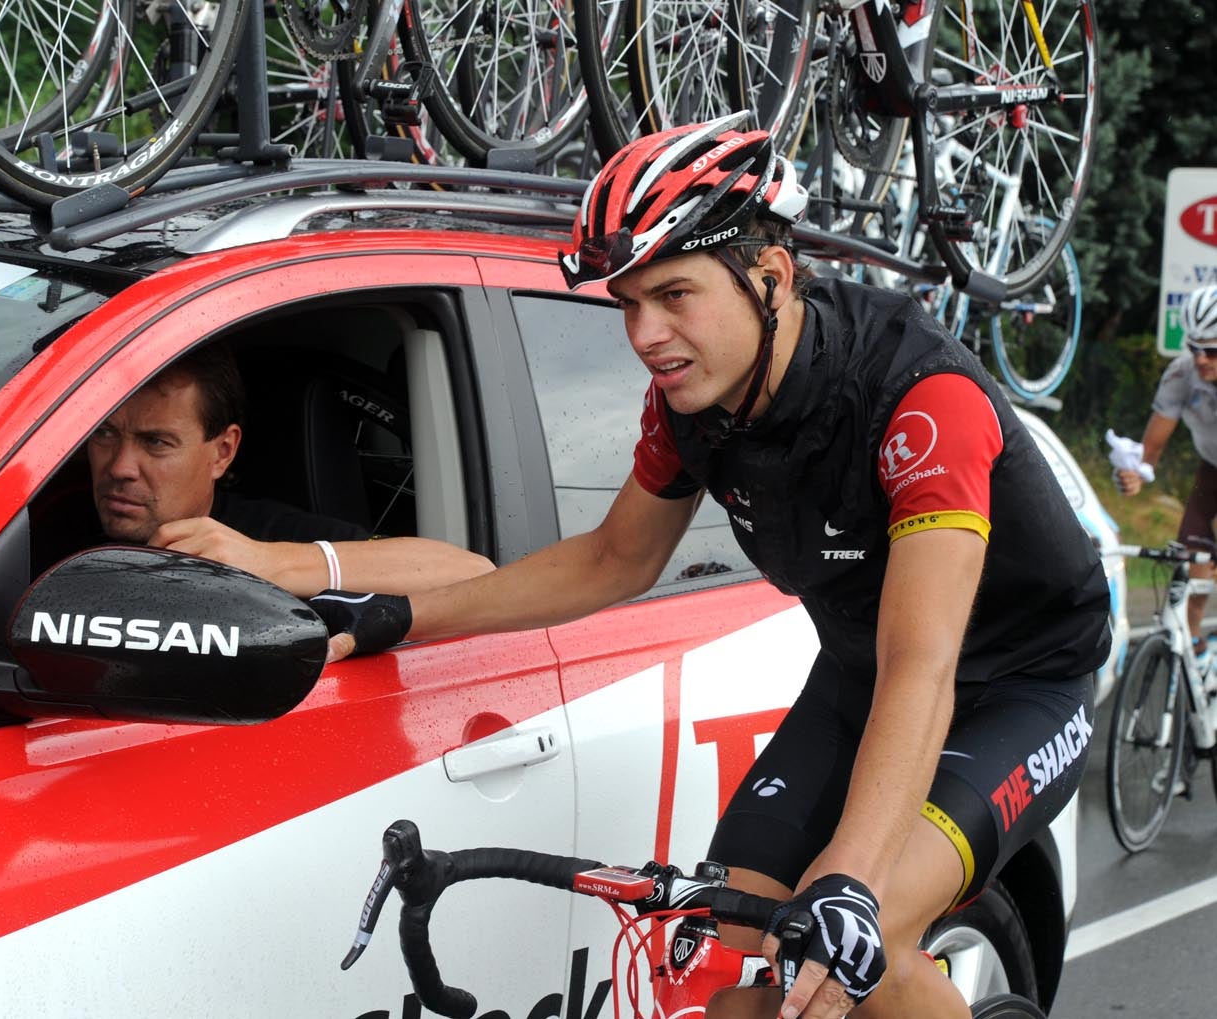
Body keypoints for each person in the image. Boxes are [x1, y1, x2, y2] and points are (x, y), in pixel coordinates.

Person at [310, 115, 1110, 1019]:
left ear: (771, 277)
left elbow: (922, 661)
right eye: (629, 303)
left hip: (1015, 686)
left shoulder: (922, 400)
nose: (646, 334)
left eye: (675, 294)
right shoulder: (693, 406)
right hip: (863, 669)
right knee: (733, 948)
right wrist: (400, 614)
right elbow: (610, 560)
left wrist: (848, 874)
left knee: (863, 940)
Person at [85, 341, 493, 596]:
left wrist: (268, 562)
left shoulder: (266, 536)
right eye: (104, 433)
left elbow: (471, 572)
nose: (120, 467)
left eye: (156, 443)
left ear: (223, 452)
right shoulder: (48, 509)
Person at [1114, 283, 1217, 670]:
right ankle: (1197, 654)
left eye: (1211, 351)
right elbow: (1152, 450)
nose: (1201, 359)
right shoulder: (1181, 374)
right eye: (1193, 348)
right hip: (1211, 467)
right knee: (1193, 559)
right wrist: (1137, 475)